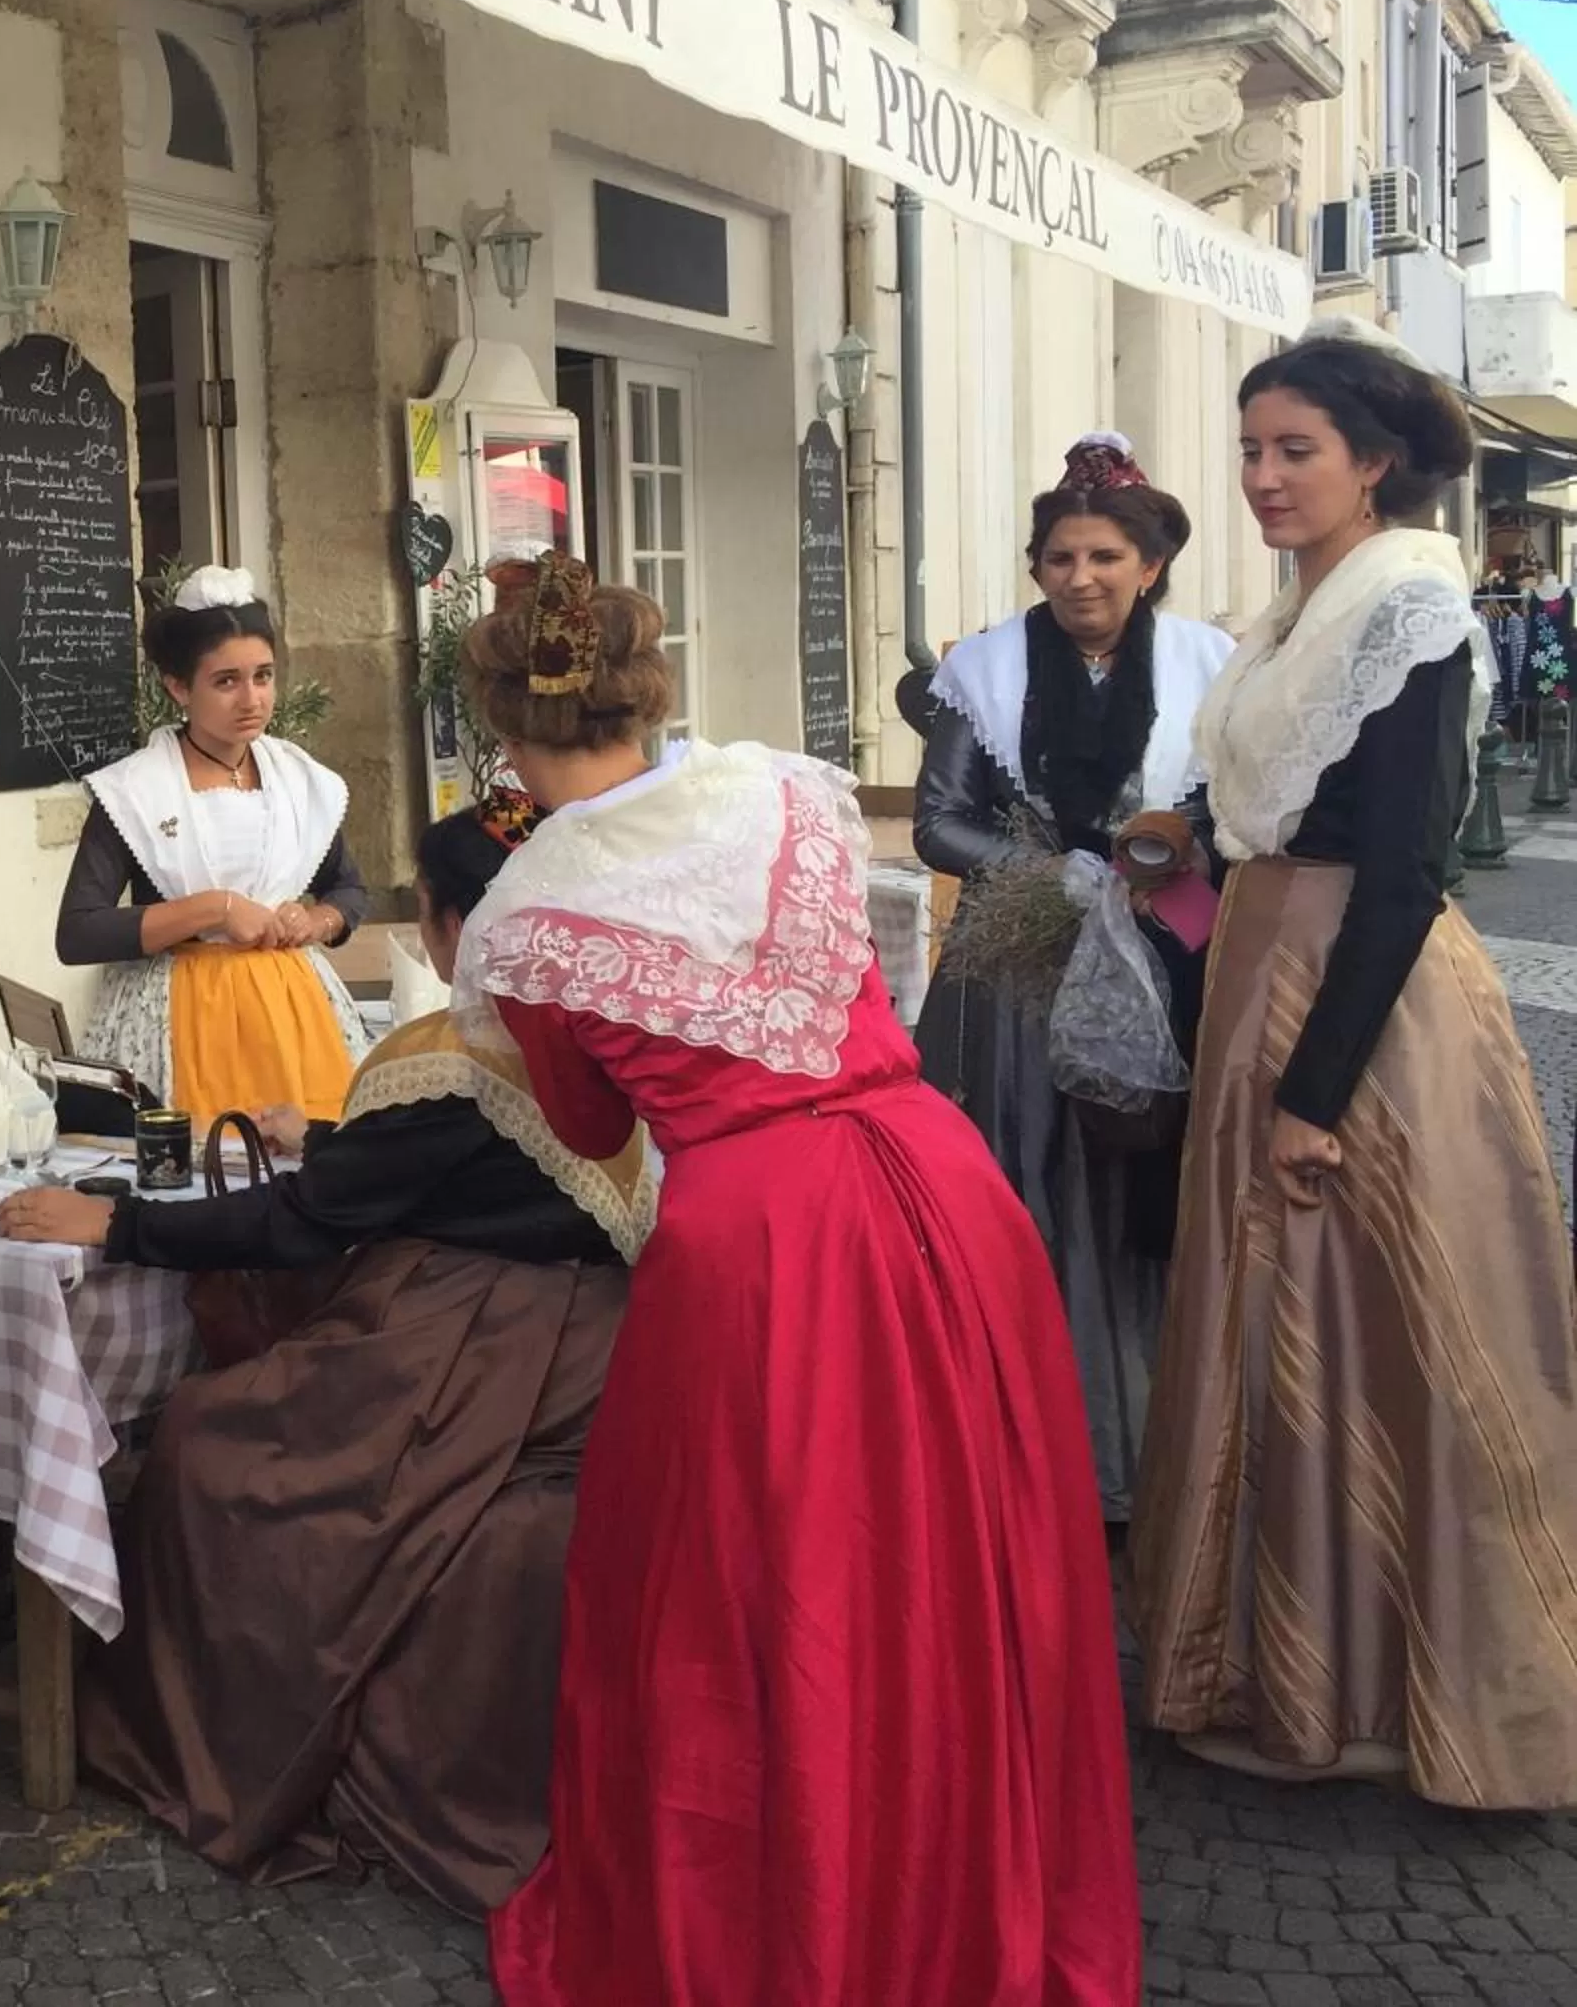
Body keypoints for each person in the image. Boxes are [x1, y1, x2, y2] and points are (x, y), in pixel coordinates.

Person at [459, 557, 1139, 2006]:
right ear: (650, 686)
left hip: (759, 1247)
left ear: (502, 727)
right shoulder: (784, 792)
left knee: (756, 1592)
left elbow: (589, 1129)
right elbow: (875, 987)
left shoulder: (527, 906)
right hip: (940, 1185)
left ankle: (802, 1908)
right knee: (968, 1553)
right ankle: (976, 1871)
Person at [0, 792, 646, 1917]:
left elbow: (301, 1225)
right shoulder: (595, 1030)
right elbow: (472, 1168)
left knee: (207, 1442)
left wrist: (115, 1224)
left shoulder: (458, 1055)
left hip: (474, 1340)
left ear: (447, 927)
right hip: (594, 1338)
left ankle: (214, 1726)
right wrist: (341, 1137)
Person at [1128, 326, 1577, 1804]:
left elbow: (1402, 862)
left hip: (1356, 1004)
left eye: (1293, 448)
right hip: (1263, 959)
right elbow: (1270, 783)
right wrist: (1191, 832)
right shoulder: (1294, 608)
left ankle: (1390, 1682)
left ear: (1372, 460)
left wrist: (1315, 1094)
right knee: (1267, 1312)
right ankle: (1264, 1651)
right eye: (1251, 448)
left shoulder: (1411, 595)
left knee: (1364, 1311)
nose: (1261, 476)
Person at [914, 432, 1236, 1521]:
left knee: (1136, 1172)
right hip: (1012, 969)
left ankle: (1147, 1440)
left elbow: (1229, 812)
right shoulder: (986, 671)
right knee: (1026, 1173)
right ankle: (1016, 1435)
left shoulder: (1209, 669)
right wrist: (1052, 874)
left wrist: (1160, 864)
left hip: (1162, 945)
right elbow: (938, 825)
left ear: (1148, 565)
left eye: (1104, 557)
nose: (1080, 578)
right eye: (1060, 558)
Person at [54, 564, 368, 1127]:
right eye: (226, 681)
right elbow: (79, 931)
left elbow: (348, 888)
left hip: (294, 1014)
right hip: (178, 1014)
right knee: (198, 1173)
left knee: (306, 1164)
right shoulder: (135, 792)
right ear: (178, 686)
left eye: (264, 676)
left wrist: (314, 920)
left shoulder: (298, 781)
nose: (252, 699)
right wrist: (215, 909)